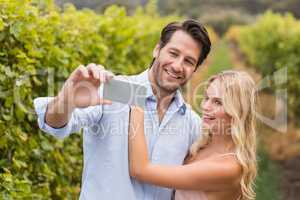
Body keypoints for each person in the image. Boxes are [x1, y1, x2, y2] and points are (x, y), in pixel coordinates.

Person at [34, 19, 211, 199]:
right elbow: (54, 125)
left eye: (189, 61)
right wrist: (67, 99)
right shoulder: (115, 89)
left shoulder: (192, 123)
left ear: (195, 69)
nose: (177, 66)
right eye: (173, 53)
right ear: (157, 49)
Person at [129, 70, 257, 200]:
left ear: (237, 111)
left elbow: (140, 170)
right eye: (207, 98)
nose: (206, 106)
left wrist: (137, 109)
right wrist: (109, 85)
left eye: (218, 102)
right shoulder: (202, 143)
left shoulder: (228, 168)